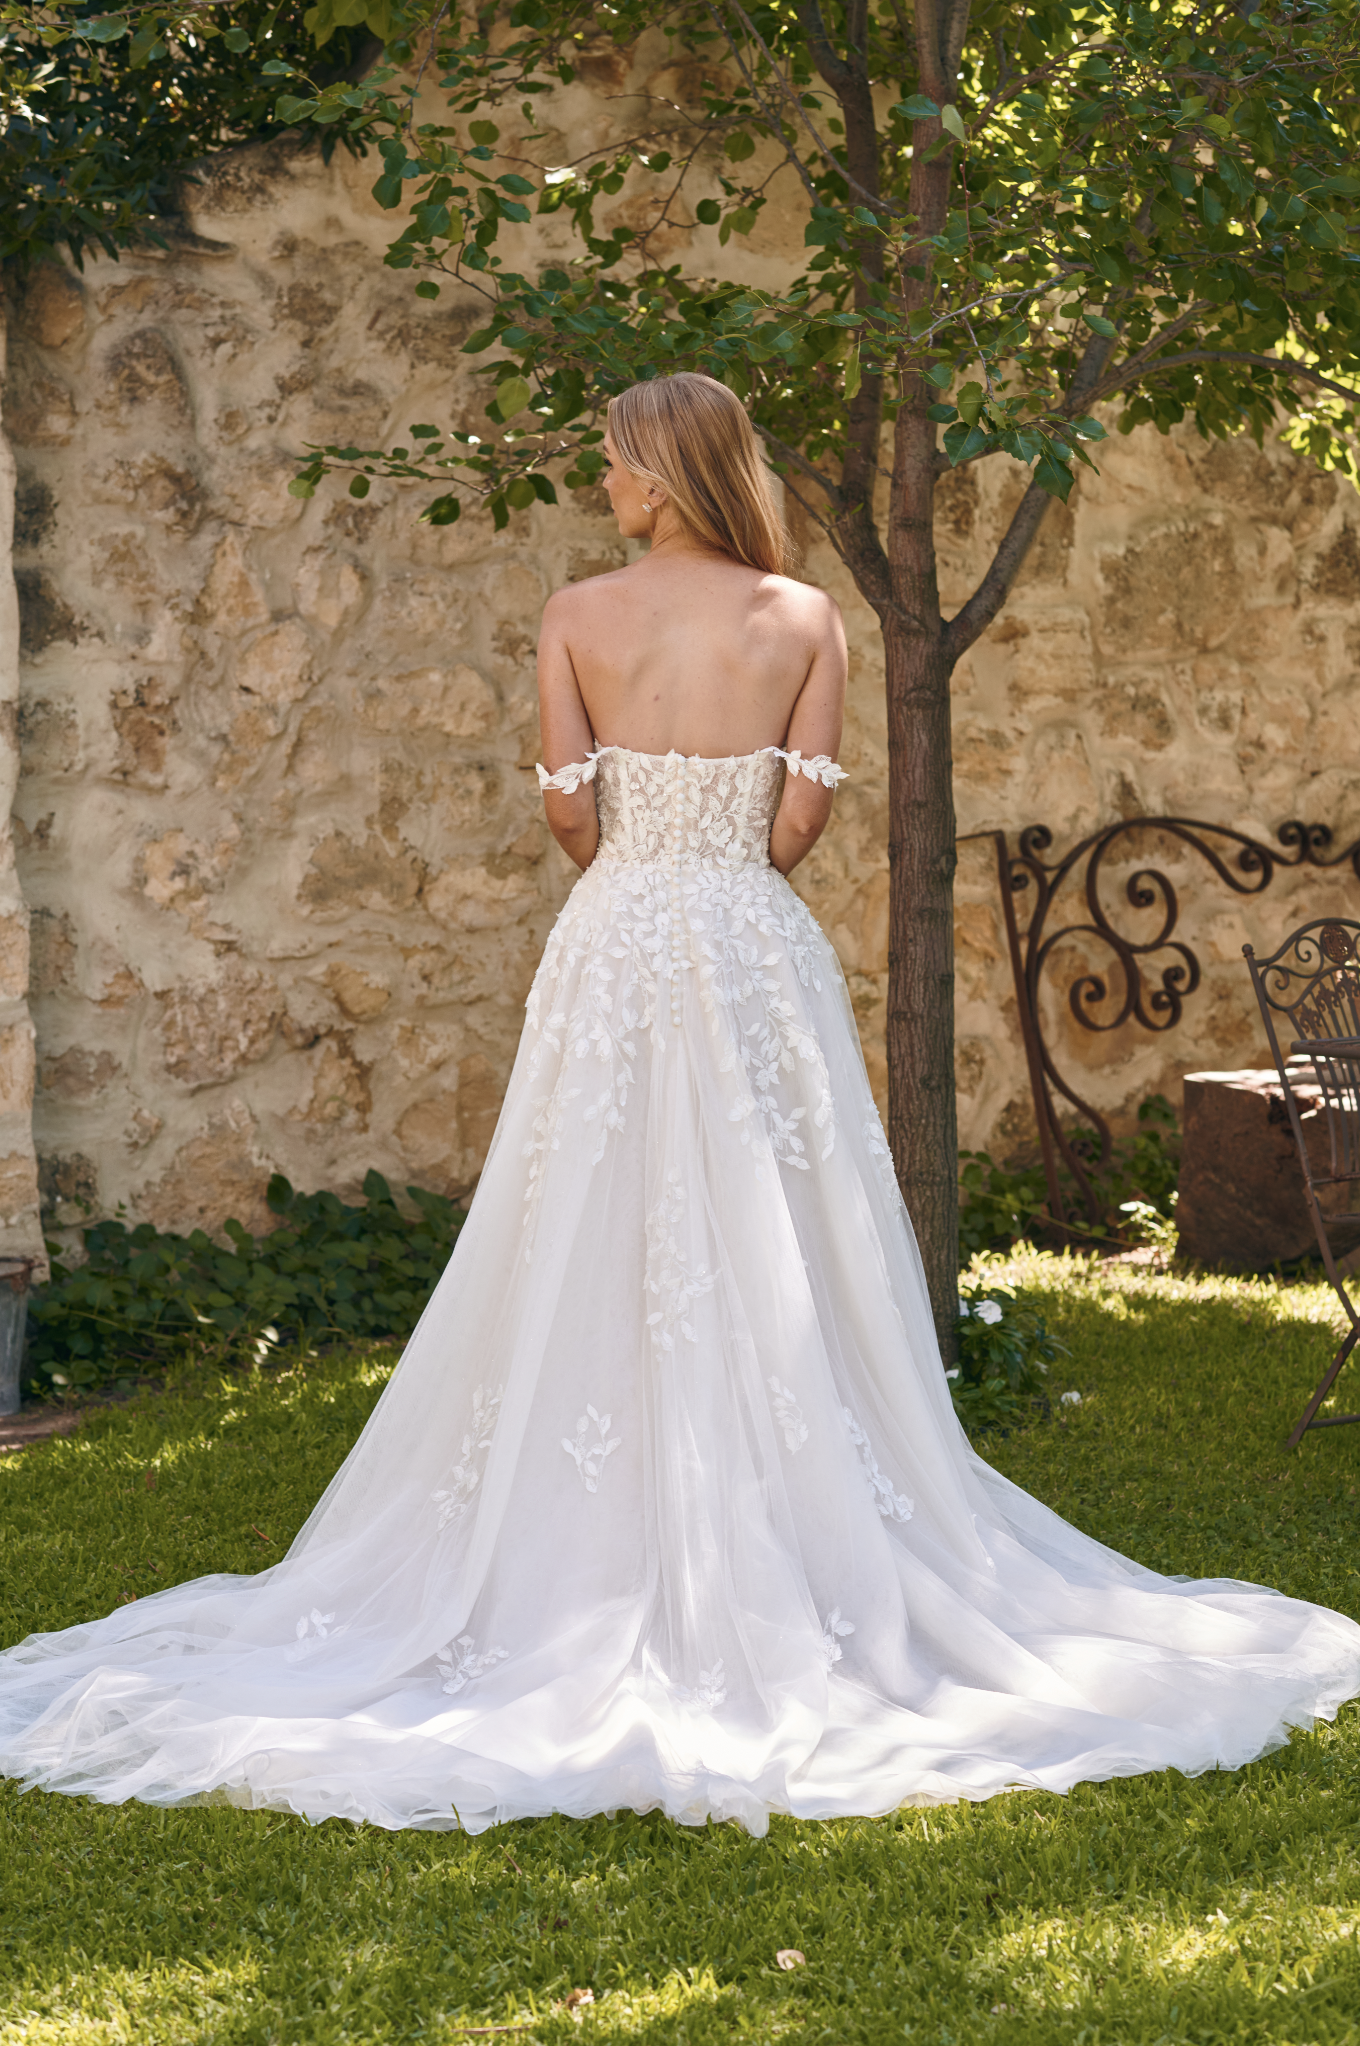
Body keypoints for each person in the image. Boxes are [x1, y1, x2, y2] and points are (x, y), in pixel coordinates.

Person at [1, 372, 1357, 1836]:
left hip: (621, 934)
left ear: (658, 469)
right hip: (749, 936)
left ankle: (582, 1543)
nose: (603, 484)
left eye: (612, 462)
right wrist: (728, 868)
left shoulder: (578, 613)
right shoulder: (807, 618)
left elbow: (569, 815)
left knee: (584, 1204)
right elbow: (805, 816)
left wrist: (641, 856)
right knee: (781, 1210)